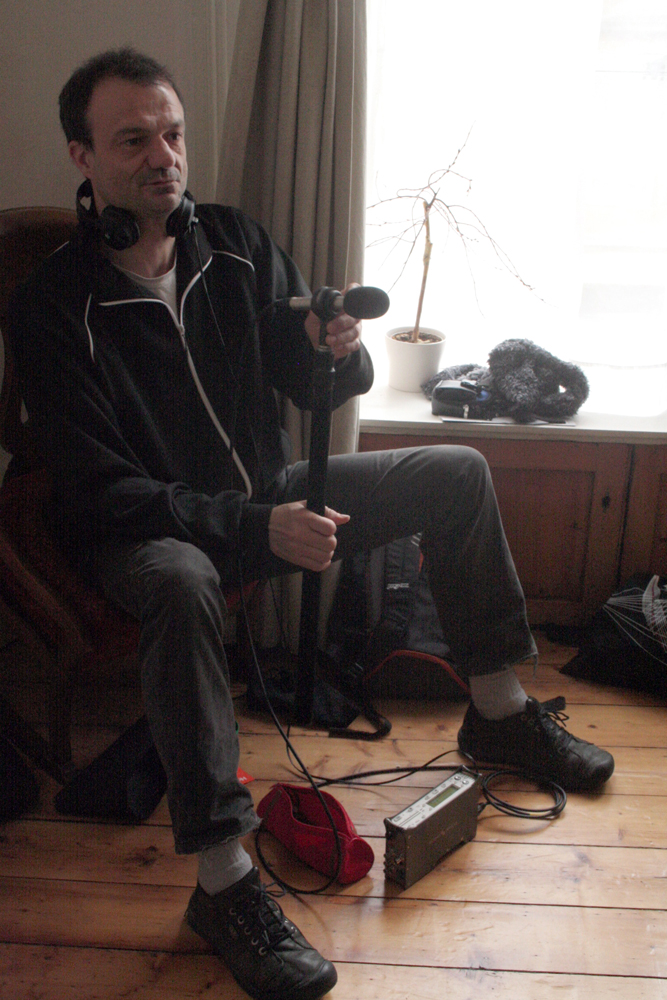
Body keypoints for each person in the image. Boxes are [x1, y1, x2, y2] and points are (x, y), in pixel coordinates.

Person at [8, 48, 614, 1000]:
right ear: (83, 157)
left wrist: (338, 352)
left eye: (171, 134)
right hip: (143, 532)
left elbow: (313, 384)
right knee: (179, 576)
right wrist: (255, 527)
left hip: (259, 492)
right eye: (133, 140)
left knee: (455, 471)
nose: (163, 156)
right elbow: (96, 490)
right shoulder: (52, 305)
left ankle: (499, 715)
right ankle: (224, 883)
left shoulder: (237, 244)